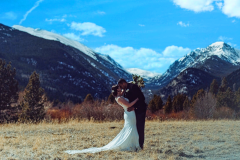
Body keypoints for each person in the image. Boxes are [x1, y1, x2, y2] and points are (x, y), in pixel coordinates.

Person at [64, 85, 141, 154]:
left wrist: (133, 85)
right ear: (116, 91)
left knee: (132, 128)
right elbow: (129, 104)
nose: (120, 90)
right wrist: (137, 99)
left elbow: (123, 92)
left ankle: (133, 145)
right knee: (131, 128)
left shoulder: (119, 96)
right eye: (119, 89)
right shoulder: (119, 98)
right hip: (129, 115)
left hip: (130, 113)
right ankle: (134, 145)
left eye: (120, 89)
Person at [118, 78, 147, 149]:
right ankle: (134, 144)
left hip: (140, 109)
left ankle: (140, 146)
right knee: (135, 127)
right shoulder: (124, 90)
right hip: (132, 112)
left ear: (123, 83)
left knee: (140, 127)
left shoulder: (133, 87)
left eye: (121, 86)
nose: (121, 88)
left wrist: (134, 107)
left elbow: (141, 98)